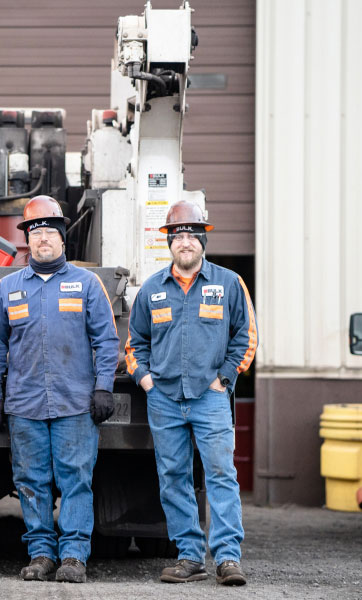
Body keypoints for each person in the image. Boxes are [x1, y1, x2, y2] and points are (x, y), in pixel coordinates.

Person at [0, 195, 120, 583]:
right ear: (28, 239)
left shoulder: (87, 284)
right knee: (30, 481)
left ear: (63, 239)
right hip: (24, 406)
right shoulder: (8, 288)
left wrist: (103, 388)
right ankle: (41, 553)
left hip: (75, 403)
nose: (43, 238)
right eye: (36, 231)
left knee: (76, 479)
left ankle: (74, 555)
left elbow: (107, 341)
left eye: (50, 231)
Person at [124, 201, 258, 586]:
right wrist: (146, 381)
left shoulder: (228, 284)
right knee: (173, 477)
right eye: (178, 235)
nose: (185, 242)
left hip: (210, 397)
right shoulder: (152, 290)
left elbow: (246, 337)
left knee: (220, 475)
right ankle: (189, 556)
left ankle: (228, 558)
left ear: (203, 241)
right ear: (169, 242)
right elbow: (135, 345)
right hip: (164, 399)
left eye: (191, 235)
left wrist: (225, 379)